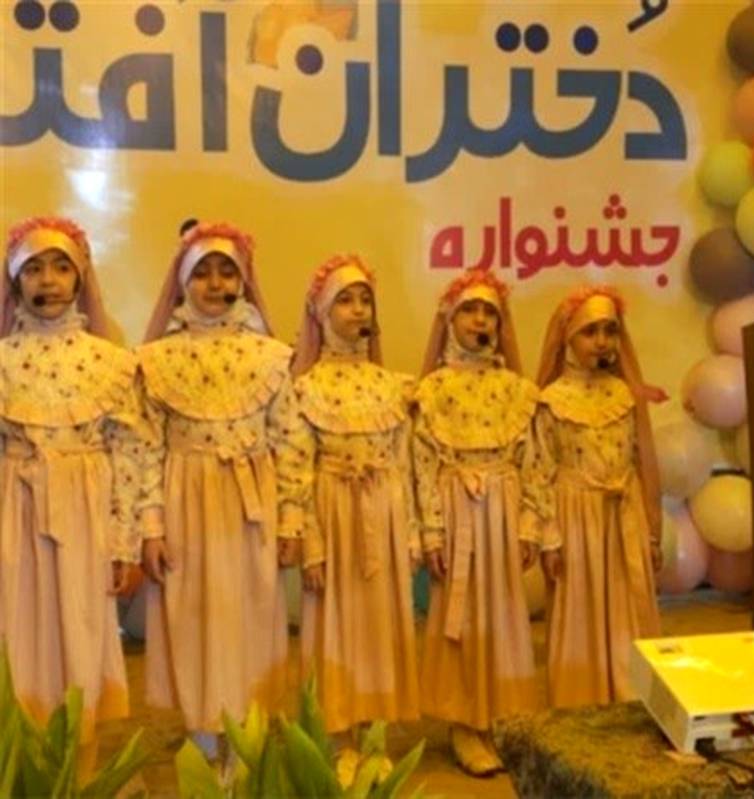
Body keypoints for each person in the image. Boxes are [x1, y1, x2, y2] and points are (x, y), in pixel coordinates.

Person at [138, 221, 311, 761]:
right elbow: (145, 447)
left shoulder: (269, 357)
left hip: (248, 501)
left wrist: (291, 519)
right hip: (185, 497)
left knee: (250, 610)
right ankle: (204, 728)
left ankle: (247, 726)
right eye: (202, 273)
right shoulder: (158, 360)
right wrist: (151, 526)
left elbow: (292, 440)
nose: (215, 285)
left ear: (243, 280)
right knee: (192, 611)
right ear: (182, 281)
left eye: (226, 272)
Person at [0, 216, 158, 774]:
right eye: (34, 269)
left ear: (80, 276)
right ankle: (18, 765)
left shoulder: (111, 363)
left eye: (61, 267)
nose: (48, 281)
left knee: (81, 629)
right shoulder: (2, 361)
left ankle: (80, 766)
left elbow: (132, 456)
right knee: (16, 632)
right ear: (15, 281)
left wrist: (125, 543)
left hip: (86, 514)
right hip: (15, 511)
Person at [412, 267, 540, 777]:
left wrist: (529, 523)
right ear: (450, 320)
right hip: (456, 506)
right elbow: (423, 464)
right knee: (459, 616)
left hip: (503, 505)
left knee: (503, 615)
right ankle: (464, 722)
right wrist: (433, 530)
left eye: (490, 312)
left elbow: (533, 461)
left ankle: (501, 717)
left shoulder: (515, 389)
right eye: (470, 310)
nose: (480, 320)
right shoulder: (433, 389)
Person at [292, 254, 420, 748]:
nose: (359, 309)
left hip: (383, 515)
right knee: (336, 624)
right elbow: (298, 471)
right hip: (334, 513)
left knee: (381, 623)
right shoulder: (306, 388)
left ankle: (374, 733)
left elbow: (404, 463)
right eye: (345, 300)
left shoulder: (391, 386)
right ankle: (338, 734)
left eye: (365, 299)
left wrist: (410, 533)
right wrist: (311, 544)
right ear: (322, 311)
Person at [529, 286, 663, 707]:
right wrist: (549, 538)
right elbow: (540, 471)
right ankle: (580, 703)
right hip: (575, 517)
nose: (602, 341)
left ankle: (632, 699)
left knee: (627, 607)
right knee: (579, 609)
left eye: (610, 330)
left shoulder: (625, 395)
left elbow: (642, 460)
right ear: (567, 336)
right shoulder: (551, 400)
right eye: (590, 332)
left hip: (623, 515)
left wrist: (651, 530)